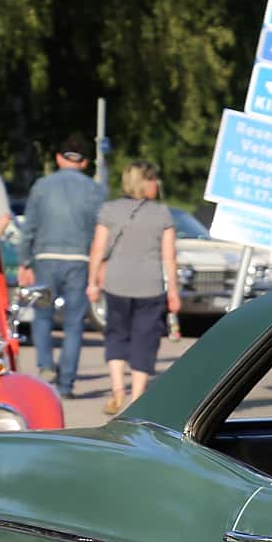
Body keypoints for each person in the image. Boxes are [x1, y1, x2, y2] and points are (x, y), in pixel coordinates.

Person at [87, 161, 179, 414]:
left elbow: (97, 249)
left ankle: (118, 390)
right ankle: (137, 397)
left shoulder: (109, 210)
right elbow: (169, 257)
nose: (156, 184)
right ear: (145, 182)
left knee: (116, 334)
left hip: (117, 283)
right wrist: (173, 292)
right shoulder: (162, 214)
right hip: (150, 286)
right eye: (153, 180)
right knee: (145, 340)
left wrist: (92, 282)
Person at [19, 134, 103, 395]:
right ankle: (66, 383)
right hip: (80, 261)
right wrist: (100, 266)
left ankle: (46, 370)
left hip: (45, 258)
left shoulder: (42, 186)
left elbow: (29, 226)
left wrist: (24, 261)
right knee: (75, 323)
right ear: (85, 162)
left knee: (42, 316)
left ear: (58, 158)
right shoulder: (96, 189)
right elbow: (101, 231)